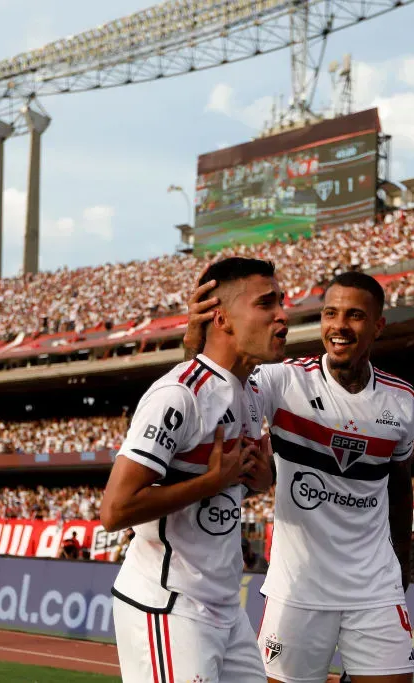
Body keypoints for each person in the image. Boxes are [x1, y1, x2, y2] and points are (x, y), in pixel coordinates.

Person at [185, 270, 414, 683]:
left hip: (375, 585)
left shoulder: (401, 400)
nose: (339, 326)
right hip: (297, 590)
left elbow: (399, 482)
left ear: (378, 325)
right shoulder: (283, 380)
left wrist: (403, 552)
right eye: (330, 313)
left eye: (354, 316)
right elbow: (210, 393)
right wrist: (194, 345)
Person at [99, 257, 286, 683]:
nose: (282, 315)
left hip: (224, 606)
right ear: (221, 318)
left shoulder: (251, 393)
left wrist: (261, 479)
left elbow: (243, 483)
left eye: (282, 301)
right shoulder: (177, 395)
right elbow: (115, 510)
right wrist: (210, 482)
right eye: (266, 303)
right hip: (168, 603)